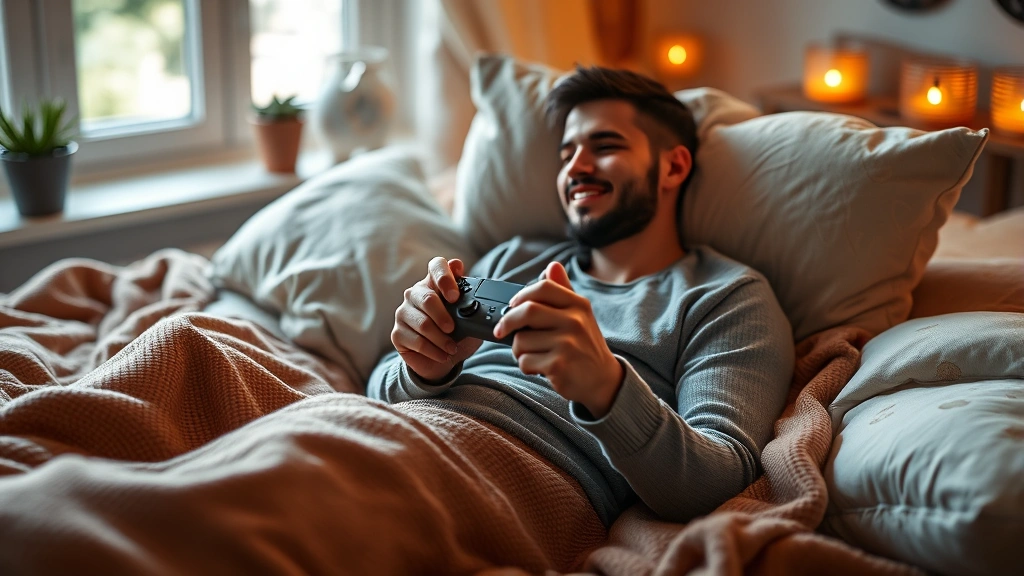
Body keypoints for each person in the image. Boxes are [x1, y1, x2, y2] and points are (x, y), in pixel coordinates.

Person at [368, 66, 794, 526]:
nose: (576, 167)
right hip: (397, 429)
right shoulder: (514, 256)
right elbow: (375, 389)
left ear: (672, 166)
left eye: (605, 146)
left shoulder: (727, 296)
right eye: (567, 153)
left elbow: (719, 481)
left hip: (511, 473)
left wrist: (606, 387)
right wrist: (423, 368)